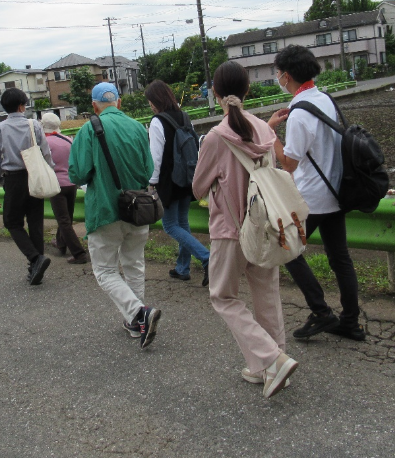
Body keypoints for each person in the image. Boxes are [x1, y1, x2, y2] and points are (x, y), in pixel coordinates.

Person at [193, 61, 298, 399]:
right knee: (266, 294)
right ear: (249, 89)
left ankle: (270, 359)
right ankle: (269, 365)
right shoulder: (265, 131)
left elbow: (197, 188)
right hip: (266, 226)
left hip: (230, 230)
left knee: (223, 296)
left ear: (215, 93)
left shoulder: (215, 137)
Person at [268, 45, 364, 341]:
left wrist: (271, 134)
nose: (277, 78)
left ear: (286, 76)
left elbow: (289, 163)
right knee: (340, 258)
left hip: (311, 198)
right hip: (338, 192)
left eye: (277, 73)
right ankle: (350, 321)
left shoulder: (298, 114)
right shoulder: (325, 99)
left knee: (288, 250)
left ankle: (321, 312)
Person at [68, 82, 161, 348]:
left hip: (105, 210)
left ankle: (138, 314)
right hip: (138, 208)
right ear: (119, 102)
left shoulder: (88, 130)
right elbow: (147, 171)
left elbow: (77, 174)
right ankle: (137, 324)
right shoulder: (137, 127)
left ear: (94, 105)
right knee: (134, 263)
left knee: (105, 270)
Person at [144, 80, 209, 286]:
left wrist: (152, 182)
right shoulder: (184, 116)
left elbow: (156, 156)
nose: (150, 105)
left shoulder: (157, 121)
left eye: (150, 101)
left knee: (170, 225)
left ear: (156, 100)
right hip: (187, 177)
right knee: (182, 222)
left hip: (168, 180)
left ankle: (207, 257)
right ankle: (183, 268)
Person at [0, 88, 54, 285]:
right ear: (20, 106)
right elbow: (47, 153)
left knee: (12, 222)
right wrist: (49, 173)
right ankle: (36, 266)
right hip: (35, 175)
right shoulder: (34, 124)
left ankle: (35, 259)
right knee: (35, 223)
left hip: (14, 180)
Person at [42, 112, 88, 264]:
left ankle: (79, 253)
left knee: (63, 220)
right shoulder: (68, 139)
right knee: (66, 217)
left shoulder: (45, 142)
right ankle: (60, 243)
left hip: (57, 185)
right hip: (71, 183)